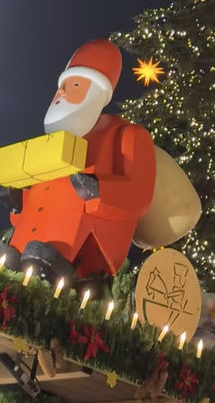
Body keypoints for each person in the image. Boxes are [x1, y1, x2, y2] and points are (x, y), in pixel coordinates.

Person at [2, 39, 156, 281]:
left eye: (73, 85)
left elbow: (139, 192)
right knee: (13, 259)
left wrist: (97, 190)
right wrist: (16, 202)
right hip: (24, 243)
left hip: (86, 246)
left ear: (97, 93)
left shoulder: (126, 134)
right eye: (61, 86)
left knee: (41, 258)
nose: (60, 93)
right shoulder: (49, 147)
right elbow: (34, 205)